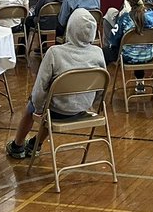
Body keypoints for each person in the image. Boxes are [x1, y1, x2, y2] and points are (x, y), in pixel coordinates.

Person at [6, 9, 107, 159]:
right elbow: (101, 87)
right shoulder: (98, 52)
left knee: (34, 104)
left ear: (70, 28)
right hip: (83, 107)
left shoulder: (54, 53)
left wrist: (38, 108)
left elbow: (39, 89)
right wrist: (89, 102)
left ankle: (17, 146)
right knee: (50, 101)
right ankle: (35, 144)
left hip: (56, 110)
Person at [102, 0, 153, 66]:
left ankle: (105, 74)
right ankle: (140, 74)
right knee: (139, 47)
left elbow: (113, 39)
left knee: (103, 52)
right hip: (149, 55)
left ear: (128, 1)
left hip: (128, 56)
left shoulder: (125, 18)